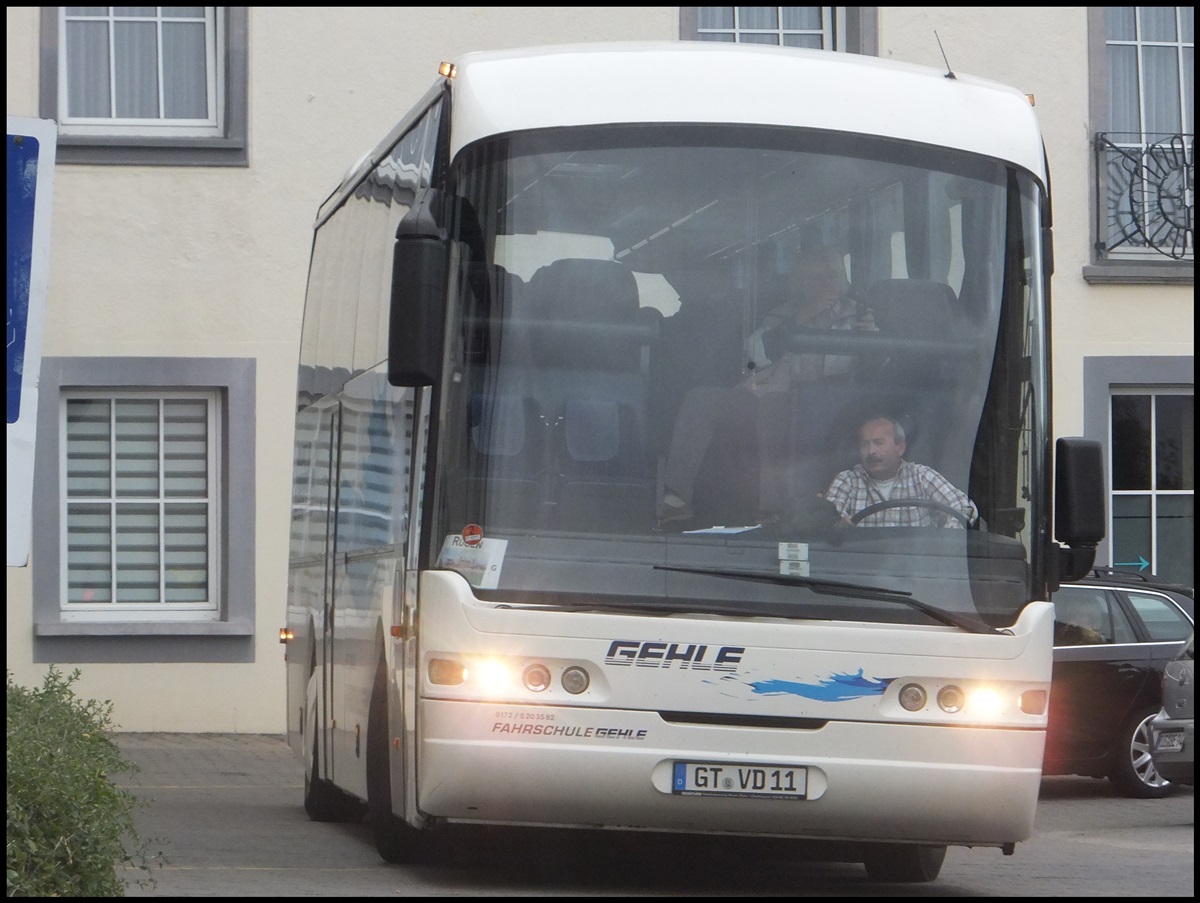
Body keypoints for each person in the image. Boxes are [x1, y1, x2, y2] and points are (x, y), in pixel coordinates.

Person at [659, 244, 875, 525]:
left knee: (774, 408)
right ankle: (677, 495)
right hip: (769, 392)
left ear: (844, 280)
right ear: (800, 284)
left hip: (830, 405)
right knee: (701, 399)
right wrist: (798, 321)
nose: (826, 284)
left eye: (832, 276)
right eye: (816, 278)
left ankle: (772, 512)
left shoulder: (859, 317)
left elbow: (876, 373)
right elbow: (752, 358)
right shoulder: (784, 314)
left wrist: (872, 341)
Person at [823, 414, 978, 528]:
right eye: (865, 444)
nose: (871, 451)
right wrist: (838, 528)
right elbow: (824, 523)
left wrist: (943, 542)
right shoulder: (847, 481)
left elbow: (966, 509)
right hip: (862, 568)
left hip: (917, 567)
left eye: (878, 443)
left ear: (900, 447)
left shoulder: (921, 476)